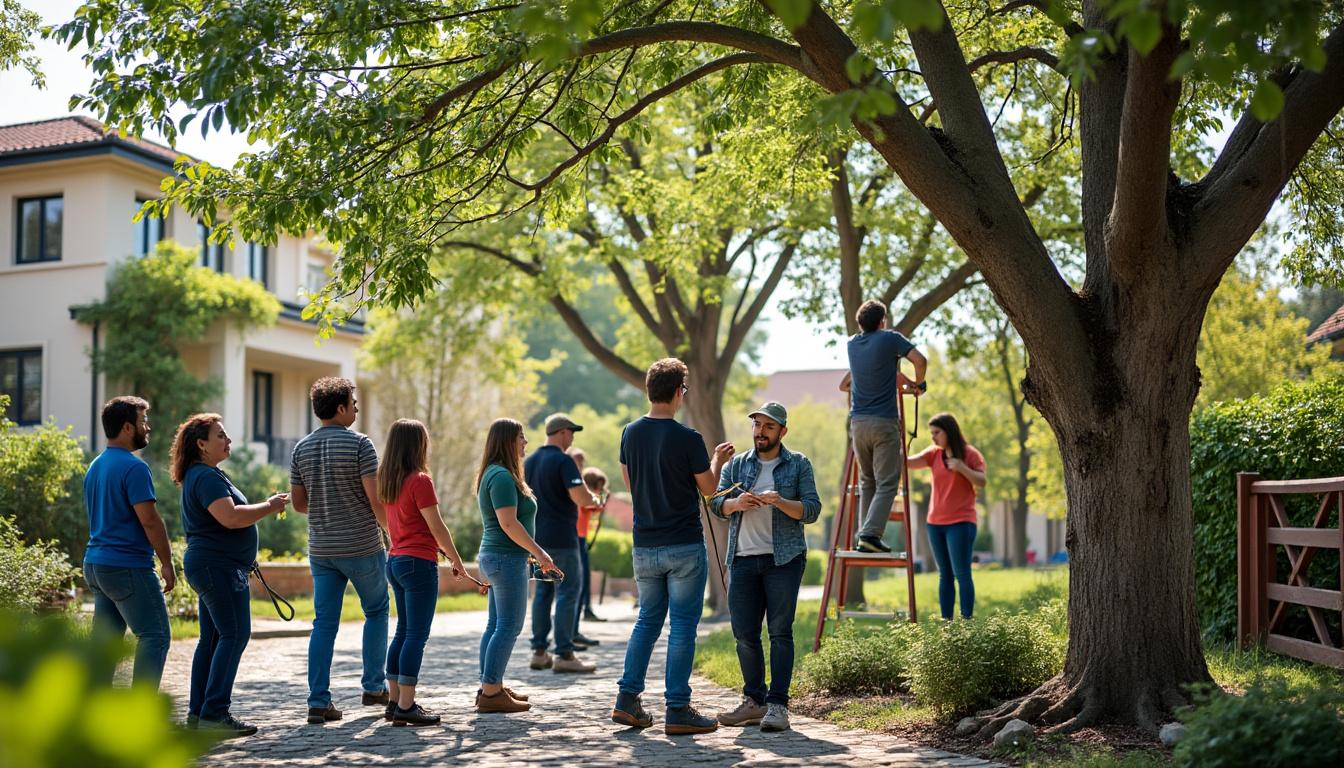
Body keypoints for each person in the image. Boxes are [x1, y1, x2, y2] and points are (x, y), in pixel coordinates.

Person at [612, 358, 734, 736]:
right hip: (683, 544)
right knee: (682, 626)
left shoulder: (630, 433)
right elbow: (710, 489)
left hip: (644, 544)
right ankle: (677, 708)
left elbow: (630, 483)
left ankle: (627, 700)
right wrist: (716, 458)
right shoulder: (689, 439)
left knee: (647, 620)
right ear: (679, 391)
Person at [172, 413, 288, 737]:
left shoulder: (206, 474)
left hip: (214, 566)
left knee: (212, 639)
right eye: (220, 435)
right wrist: (269, 505)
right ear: (201, 444)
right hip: (217, 568)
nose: (228, 440)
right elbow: (231, 518)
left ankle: (199, 714)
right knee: (234, 634)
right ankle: (214, 713)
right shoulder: (205, 477)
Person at [710, 402, 821, 733]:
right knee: (744, 634)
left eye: (768, 427)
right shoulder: (738, 464)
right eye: (757, 425)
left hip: (784, 560)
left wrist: (779, 501)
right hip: (742, 559)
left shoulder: (798, 464)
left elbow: (812, 509)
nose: (760, 431)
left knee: (779, 632)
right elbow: (717, 503)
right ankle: (753, 702)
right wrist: (736, 503)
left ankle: (778, 706)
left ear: (782, 432)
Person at [289, 376, 390, 725]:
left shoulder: (300, 449)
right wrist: (392, 532)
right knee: (376, 610)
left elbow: (299, 504)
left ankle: (318, 701)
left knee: (324, 623)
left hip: (322, 549)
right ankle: (374, 687)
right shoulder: (362, 445)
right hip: (361, 545)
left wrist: (327, 504)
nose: (357, 409)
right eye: (354, 403)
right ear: (342, 407)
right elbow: (375, 499)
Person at [377, 419, 469, 727]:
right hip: (418, 564)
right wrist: (456, 559)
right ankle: (406, 705)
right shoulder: (420, 480)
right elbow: (437, 525)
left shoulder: (388, 479)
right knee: (416, 634)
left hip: (396, 561)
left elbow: (404, 524)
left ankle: (393, 702)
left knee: (402, 631)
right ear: (418, 445)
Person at [81, 396, 174, 689]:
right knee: (155, 635)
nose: (147, 427)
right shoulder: (134, 468)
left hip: (96, 565)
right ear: (126, 428)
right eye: (142, 421)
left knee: (105, 645)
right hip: (127, 566)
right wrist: (167, 562)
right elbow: (150, 521)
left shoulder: (95, 466)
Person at [475, 417, 558, 713]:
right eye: (521, 437)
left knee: (497, 624)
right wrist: (540, 553)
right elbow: (508, 523)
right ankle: (491, 691)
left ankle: (490, 685)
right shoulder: (500, 476)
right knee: (509, 625)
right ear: (508, 440)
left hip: (500, 557)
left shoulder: (497, 474)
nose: (525, 442)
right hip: (505, 558)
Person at [840, 299, 927, 553]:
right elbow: (920, 361)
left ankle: (863, 537)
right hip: (883, 421)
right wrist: (919, 385)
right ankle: (870, 533)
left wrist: (905, 381)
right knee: (889, 482)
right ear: (882, 321)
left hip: (858, 423)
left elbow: (876, 374)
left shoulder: (853, 345)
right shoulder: (890, 338)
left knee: (868, 482)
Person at [527, 413, 599, 674]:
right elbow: (581, 498)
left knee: (542, 594)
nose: (572, 437)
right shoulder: (564, 460)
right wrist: (594, 499)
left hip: (537, 540)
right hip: (563, 539)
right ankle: (565, 654)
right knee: (568, 592)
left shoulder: (529, 461)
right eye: (571, 432)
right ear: (560, 433)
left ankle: (538, 652)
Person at [907, 413, 987, 619]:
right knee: (945, 575)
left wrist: (962, 468)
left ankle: (966, 623)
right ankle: (947, 625)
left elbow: (982, 481)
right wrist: (897, 443)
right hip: (935, 524)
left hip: (961, 523)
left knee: (962, 573)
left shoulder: (970, 454)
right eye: (931, 433)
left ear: (949, 431)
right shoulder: (934, 454)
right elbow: (907, 463)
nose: (933, 437)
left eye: (936, 433)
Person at [574, 466, 608, 635]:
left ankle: (577, 624)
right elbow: (596, 506)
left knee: (583, 580)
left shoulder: (582, 496)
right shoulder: (584, 497)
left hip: (580, 537)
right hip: (578, 538)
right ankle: (574, 627)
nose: (600, 491)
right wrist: (602, 498)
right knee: (581, 580)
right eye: (599, 487)